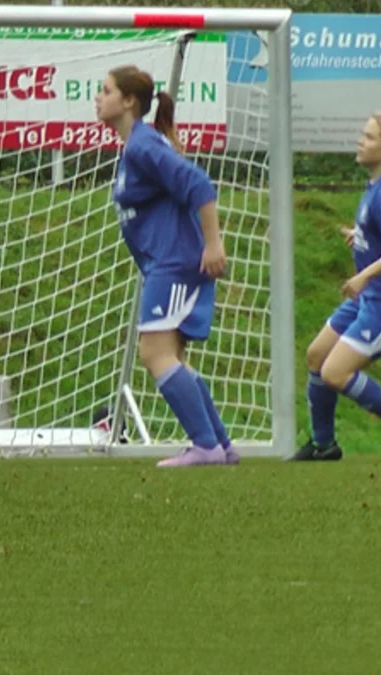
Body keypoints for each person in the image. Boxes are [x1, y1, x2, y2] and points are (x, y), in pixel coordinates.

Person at [94, 64, 234, 467]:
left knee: (154, 352)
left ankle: (205, 445)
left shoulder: (143, 145)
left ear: (128, 101)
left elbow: (200, 186)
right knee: (171, 354)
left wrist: (213, 244)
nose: (98, 98)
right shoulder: (138, 144)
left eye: (105, 90)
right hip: (165, 263)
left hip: (173, 263)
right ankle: (220, 446)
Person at [288, 112, 381, 462]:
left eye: (368, 138)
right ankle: (324, 444)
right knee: (316, 355)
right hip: (375, 298)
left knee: (335, 372)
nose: (360, 141)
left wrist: (365, 274)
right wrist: (364, 237)